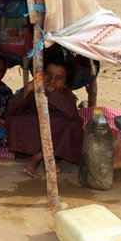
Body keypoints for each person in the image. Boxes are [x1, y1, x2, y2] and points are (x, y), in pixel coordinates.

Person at [5, 49, 83, 178]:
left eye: (59, 78)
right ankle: (50, 157)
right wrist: (28, 89)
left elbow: (70, 113)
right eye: (48, 75)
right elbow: (13, 110)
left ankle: (40, 156)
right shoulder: (36, 88)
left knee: (73, 123)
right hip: (37, 131)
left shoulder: (66, 94)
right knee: (14, 120)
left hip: (58, 132)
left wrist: (52, 93)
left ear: (65, 84)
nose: (52, 81)